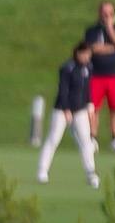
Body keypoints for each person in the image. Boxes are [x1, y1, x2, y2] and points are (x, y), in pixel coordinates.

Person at [37, 42, 99, 187]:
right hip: (62, 110)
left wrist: (90, 105)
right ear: (77, 53)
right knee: (53, 139)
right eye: (84, 54)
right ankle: (42, 170)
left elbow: (86, 89)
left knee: (86, 142)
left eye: (89, 54)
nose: (87, 57)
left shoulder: (89, 67)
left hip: (80, 110)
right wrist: (66, 110)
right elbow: (63, 90)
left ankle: (91, 173)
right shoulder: (67, 68)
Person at [82, 2, 115, 152]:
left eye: (109, 13)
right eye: (104, 13)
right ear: (99, 13)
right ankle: (92, 138)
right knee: (93, 109)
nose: (106, 15)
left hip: (114, 75)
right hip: (96, 75)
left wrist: (110, 28)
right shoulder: (91, 31)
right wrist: (112, 48)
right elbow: (93, 49)